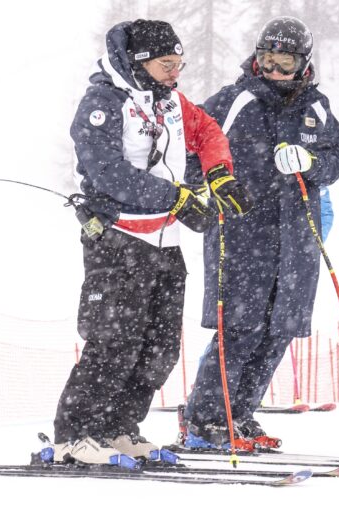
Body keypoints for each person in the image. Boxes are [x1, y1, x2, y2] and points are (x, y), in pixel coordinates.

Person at [51, 19, 249, 465]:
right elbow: (107, 172)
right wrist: (176, 198)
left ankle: (118, 427)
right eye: (166, 64)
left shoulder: (172, 101)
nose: (174, 73)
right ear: (139, 61)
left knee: (158, 348)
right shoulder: (103, 102)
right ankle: (75, 432)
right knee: (113, 341)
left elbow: (210, 133)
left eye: (179, 64)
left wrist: (218, 174)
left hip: (166, 244)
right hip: (119, 241)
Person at [178, 16, 339, 451]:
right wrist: (214, 186)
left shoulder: (317, 108)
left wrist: (310, 163)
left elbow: (336, 159)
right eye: (267, 59)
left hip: (296, 238)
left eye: (284, 62)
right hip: (241, 234)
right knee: (240, 326)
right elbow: (191, 153)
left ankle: (241, 413)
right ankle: (207, 418)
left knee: (280, 328)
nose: (273, 70)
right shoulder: (232, 101)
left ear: (303, 64)